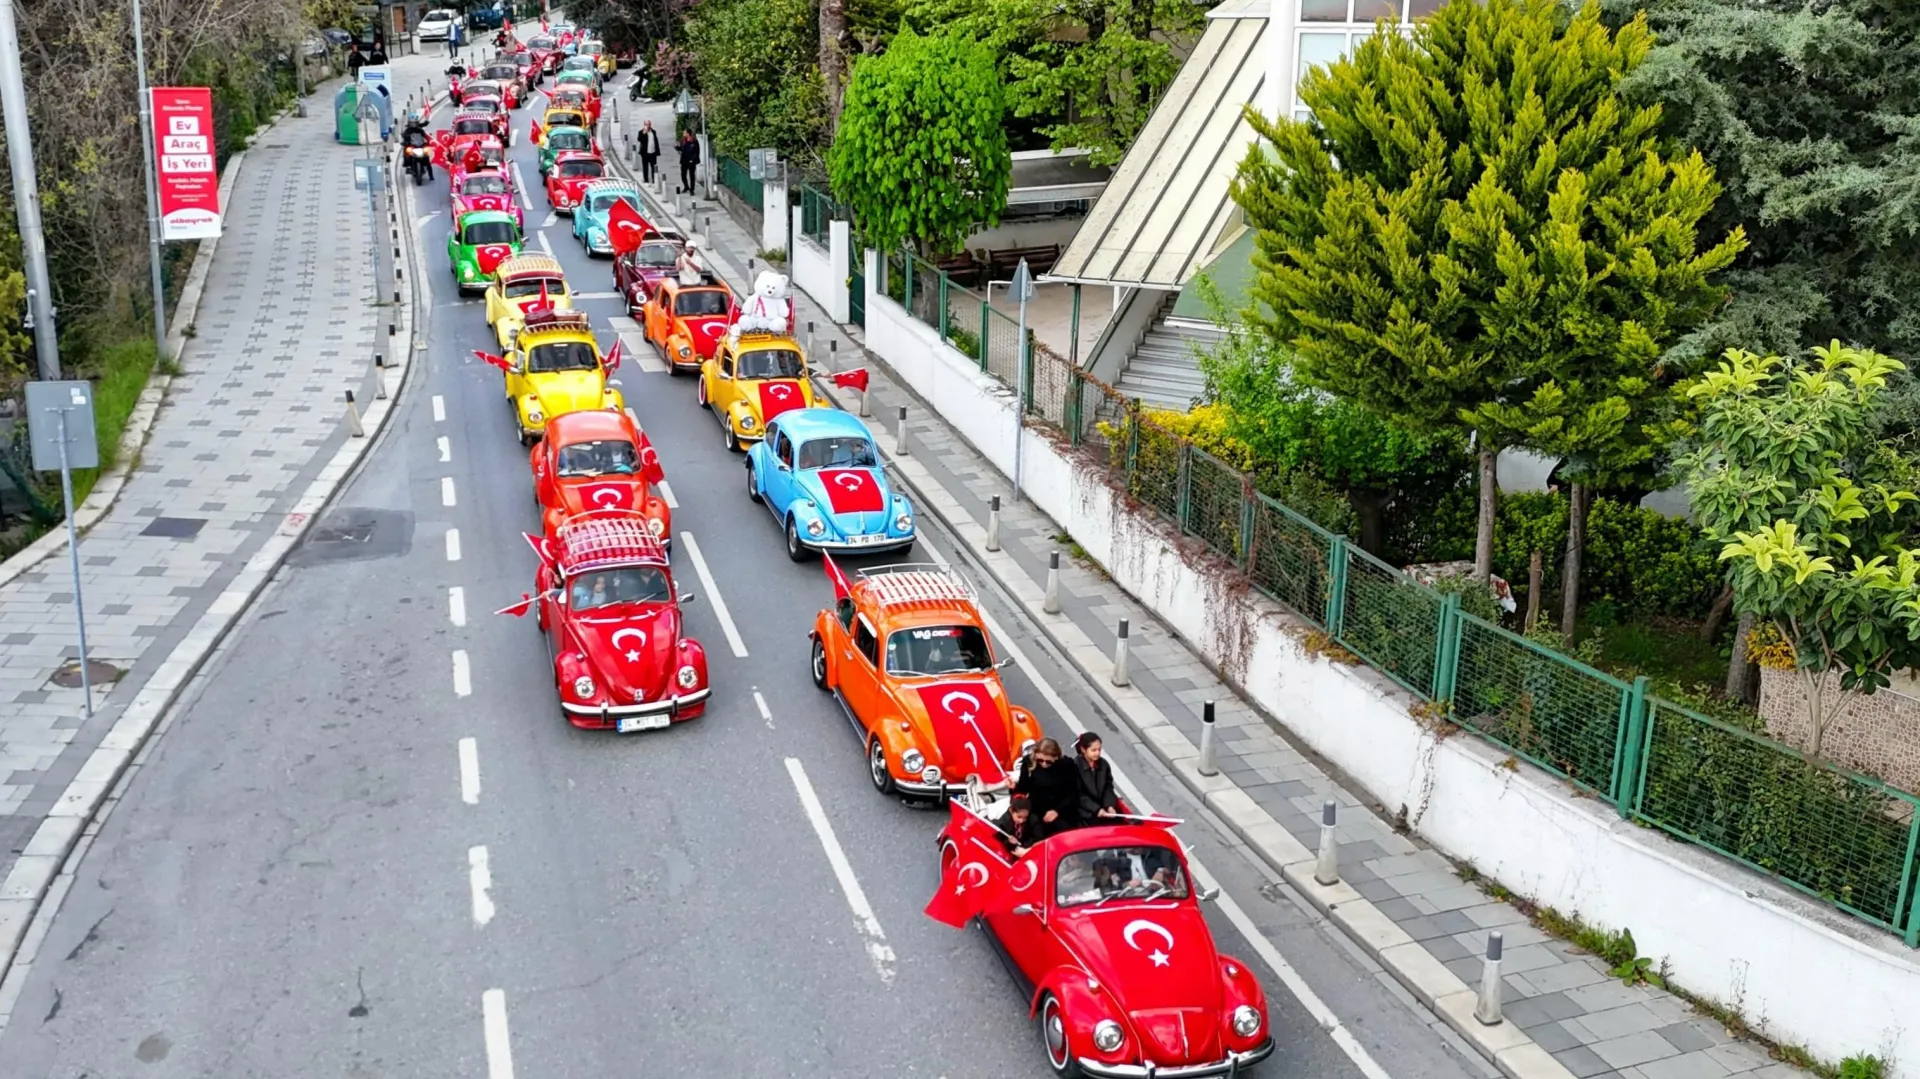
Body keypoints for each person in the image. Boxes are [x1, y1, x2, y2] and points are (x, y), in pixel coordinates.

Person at [1015, 738, 1076, 837]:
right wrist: (1013, 787)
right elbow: (1023, 788)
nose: (1044, 764)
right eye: (1040, 760)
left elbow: (1073, 793)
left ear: (1056, 757)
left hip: (1060, 808)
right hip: (1036, 809)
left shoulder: (1067, 765)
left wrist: (1057, 811)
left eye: (1048, 762)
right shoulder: (1029, 762)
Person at [1072, 732, 1119, 826]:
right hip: (1084, 812)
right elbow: (1078, 795)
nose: (1097, 753)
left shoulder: (1104, 764)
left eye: (1099, 749)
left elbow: (1108, 787)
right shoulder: (1074, 767)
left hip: (1103, 806)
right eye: (1093, 750)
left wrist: (1109, 805)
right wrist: (1096, 809)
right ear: (1083, 749)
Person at [992, 795, 1041, 860]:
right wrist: (1009, 842)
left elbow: (1038, 837)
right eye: (1019, 817)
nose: (1021, 820)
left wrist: (1026, 848)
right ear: (1011, 811)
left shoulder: (1033, 819)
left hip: (1030, 849)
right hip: (1014, 853)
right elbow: (1002, 840)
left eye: (1025, 817)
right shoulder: (1004, 822)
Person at [400, 111, 433, 180]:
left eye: (414, 123)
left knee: (427, 159)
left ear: (416, 122)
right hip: (412, 146)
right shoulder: (407, 130)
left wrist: (429, 141)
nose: (413, 124)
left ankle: (431, 175)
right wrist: (405, 142)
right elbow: (404, 136)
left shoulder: (419, 129)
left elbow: (425, 136)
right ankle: (406, 162)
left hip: (420, 145)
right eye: (412, 123)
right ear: (409, 122)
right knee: (406, 150)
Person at [637, 120, 661, 185]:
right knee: (645, 167)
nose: (648, 126)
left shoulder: (653, 132)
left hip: (653, 153)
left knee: (653, 167)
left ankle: (654, 180)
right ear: (644, 125)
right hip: (645, 153)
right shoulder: (641, 132)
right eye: (646, 124)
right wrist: (644, 133)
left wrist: (657, 151)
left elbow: (656, 141)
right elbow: (639, 139)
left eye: (649, 124)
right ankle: (646, 180)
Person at [676, 129, 700, 195]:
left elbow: (697, 152)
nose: (683, 134)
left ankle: (692, 190)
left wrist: (692, 159)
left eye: (684, 133)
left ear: (688, 134)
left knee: (692, 176)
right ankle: (686, 186)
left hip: (691, 162)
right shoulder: (683, 140)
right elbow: (681, 149)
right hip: (684, 161)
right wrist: (677, 147)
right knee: (683, 175)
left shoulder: (694, 141)